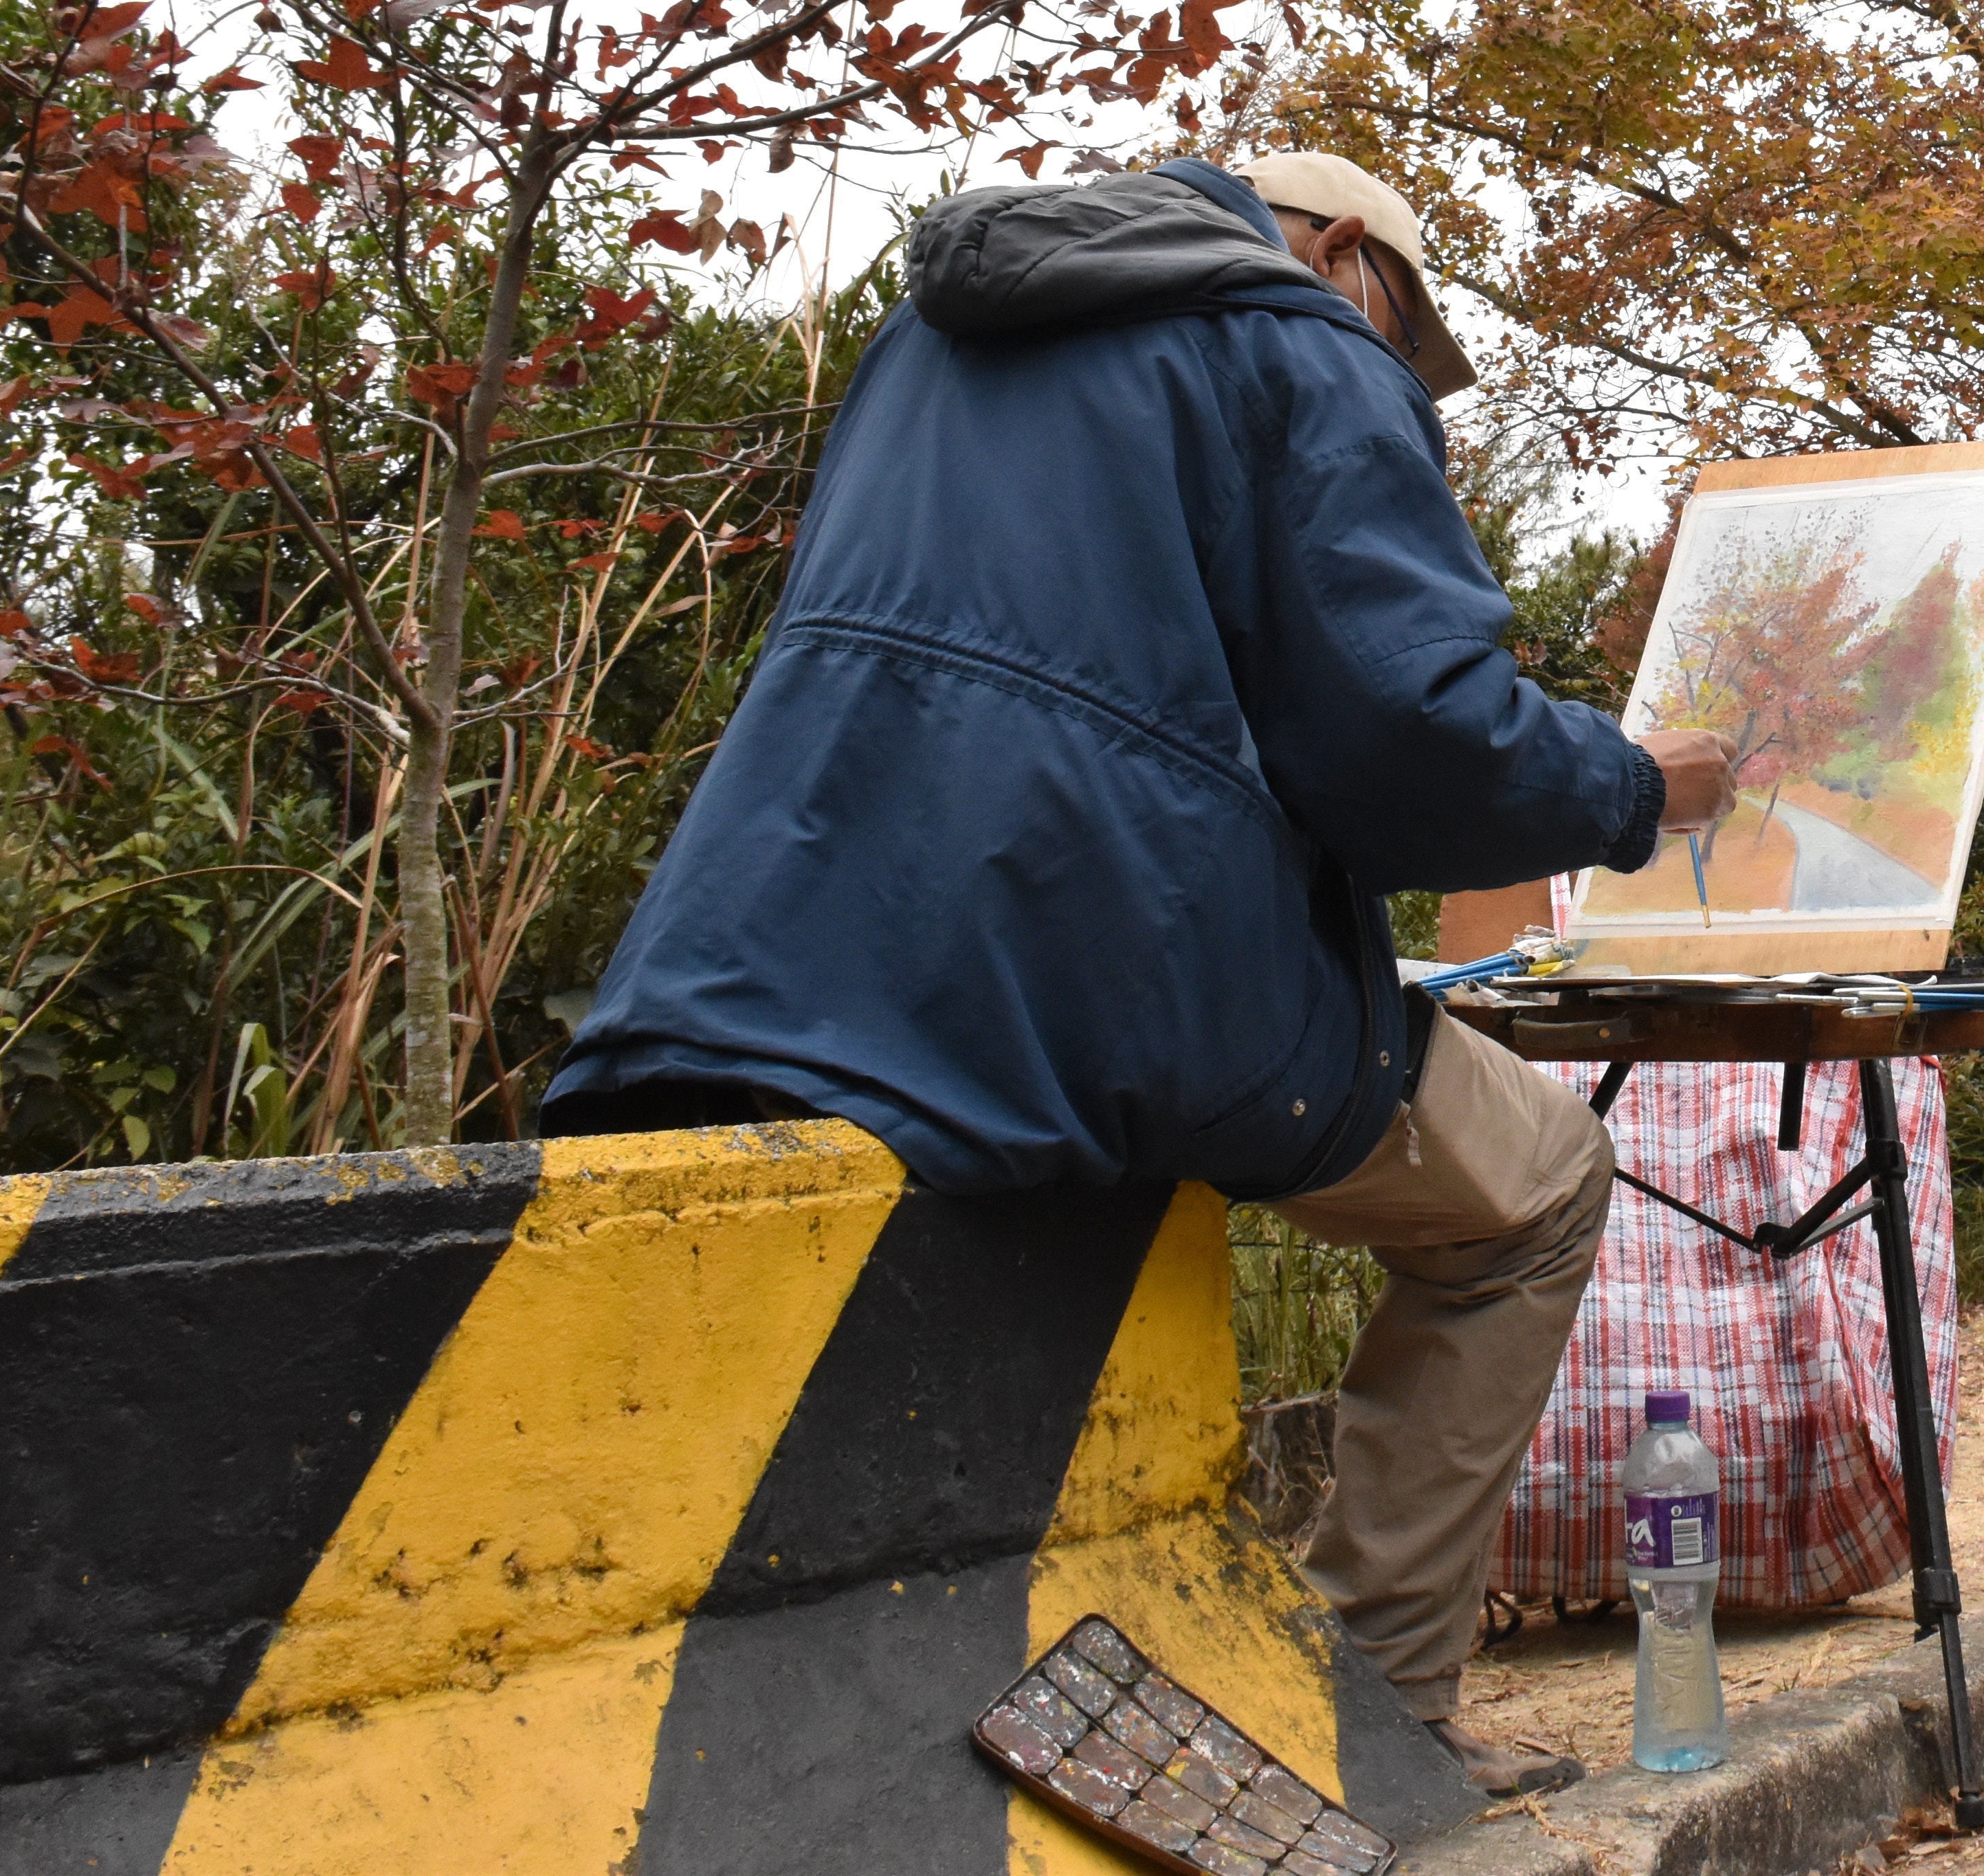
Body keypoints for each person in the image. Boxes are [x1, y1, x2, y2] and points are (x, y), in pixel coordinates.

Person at [544, 151, 1734, 1796]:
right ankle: (1376, 1704)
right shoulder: (1300, 341)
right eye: (1403, 321)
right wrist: (1630, 787)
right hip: (1092, 969)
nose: (1401, 366)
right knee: (1534, 1183)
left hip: (768, 948)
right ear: (1334, 249)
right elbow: (1409, 741)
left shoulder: (929, 344)